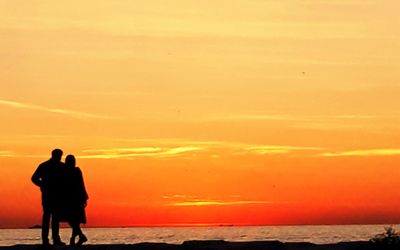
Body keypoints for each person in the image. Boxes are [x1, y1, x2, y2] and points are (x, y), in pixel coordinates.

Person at [31, 149, 65, 246]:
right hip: (50, 195)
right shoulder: (48, 166)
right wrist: (42, 185)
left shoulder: (47, 166)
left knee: (52, 217)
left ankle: (52, 239)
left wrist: (42, 185)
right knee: (50, 217)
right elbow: (34, 178)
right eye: (59, 155)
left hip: (55, 195)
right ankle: (49, 239)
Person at [62, 154, 89, 246]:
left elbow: (81, 184)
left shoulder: (72, 171)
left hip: (74, 199)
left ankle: (75, 238)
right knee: (73, 220)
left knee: (74, 220)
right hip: (72, 199)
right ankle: (78, 237)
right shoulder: (69, 171)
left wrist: (84, 197)